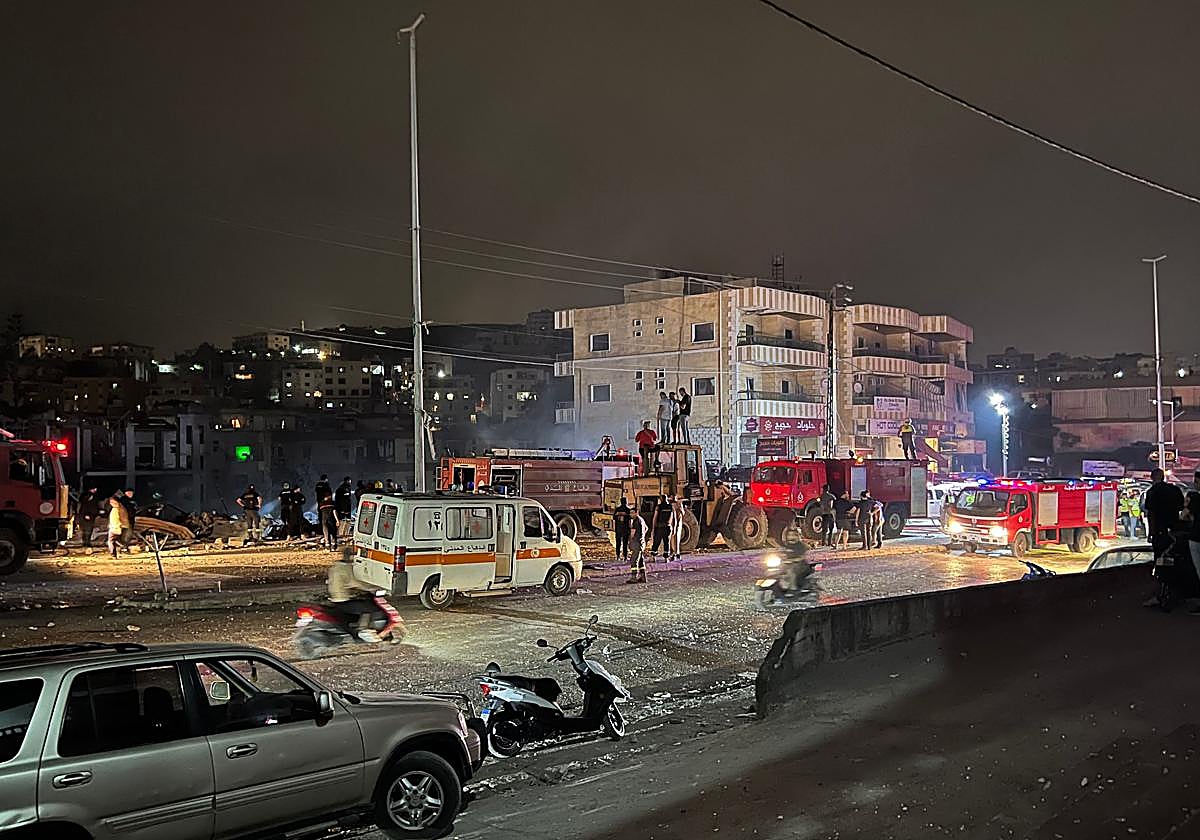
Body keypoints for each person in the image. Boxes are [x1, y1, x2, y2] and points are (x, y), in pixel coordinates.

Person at [327, 547, 380, 642]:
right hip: (343, 600)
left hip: (334, 598)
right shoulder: (345, 568)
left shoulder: (335, 567)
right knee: (369, 607)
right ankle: (362, 630)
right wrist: (372, 588)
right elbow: (355, 583)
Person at [1143, 468, 1184, 559]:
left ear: (1152, 478)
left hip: (1159, 530)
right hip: (1174, 529)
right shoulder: (1175, 489)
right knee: (1174, 556)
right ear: (1163, 477)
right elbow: (1181, 507)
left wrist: (1151, 533)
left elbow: (1151, 513)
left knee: (1159, 557)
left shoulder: (1152, 491)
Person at [315, 474, 338, 550]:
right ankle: (333, 546)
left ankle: (327, 546)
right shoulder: (332, 502)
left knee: (326, 531)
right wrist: (337, 520)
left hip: (324, 518)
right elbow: (334, 511)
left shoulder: (321, 503)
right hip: (331, 519)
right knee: (333, 531)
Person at [106, 491, 131, 558]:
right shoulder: (121, 507)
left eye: (112, 502)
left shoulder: (116, 509)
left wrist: (115, 527)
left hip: (115, 527)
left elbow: (115, 519)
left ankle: (113, 554)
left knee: (111, 541)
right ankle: (124, 547)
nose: (111, 503)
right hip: (121, 526)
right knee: (117, 540)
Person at [651, 495, 672, 561]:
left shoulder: (658, 507)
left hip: (660, 527)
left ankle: (653, 557)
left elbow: (655, 517)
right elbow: (672, 517)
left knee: (656, 542)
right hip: (667, 526)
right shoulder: (670, 507)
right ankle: (666, 558)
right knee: (666, 542)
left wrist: (653, 528)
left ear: (661, 499)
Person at [613, 497, 632, 563]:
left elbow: (614, 517)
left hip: (618, 529)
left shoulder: (617, 509)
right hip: (625, 529)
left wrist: (619, 515)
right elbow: (630, 518)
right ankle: (625, 557)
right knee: (625, 543)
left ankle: (618, 556)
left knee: (618, 543)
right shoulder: (628, 510)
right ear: (626, 502)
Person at [668, 494, 687, 561]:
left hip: (673, 524)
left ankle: (672, 553)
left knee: (671, 539)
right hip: (676, 524)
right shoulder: (678, 505)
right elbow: (683, 513)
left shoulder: (671, 505)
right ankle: (676, 553)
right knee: (676, 539)